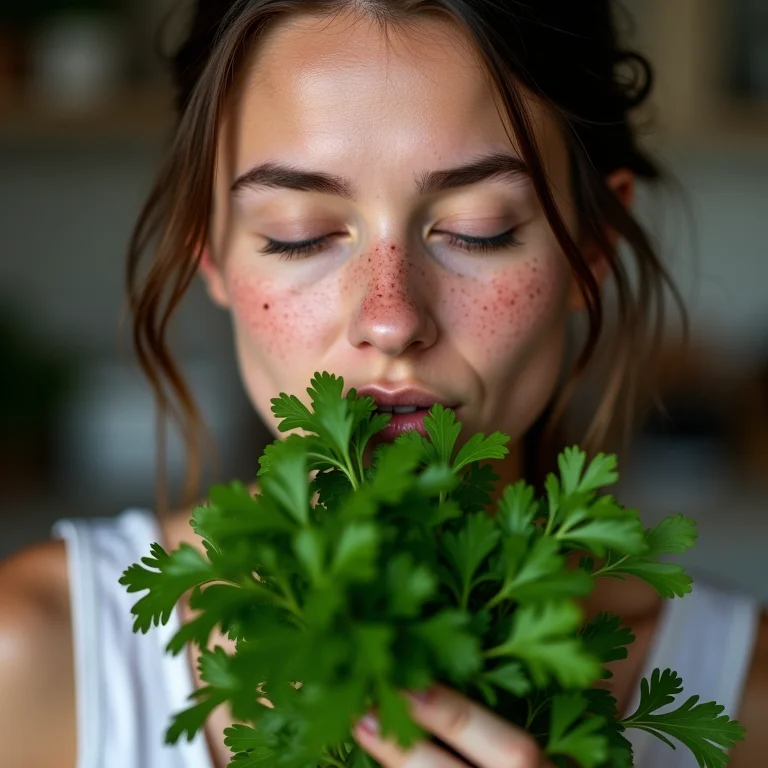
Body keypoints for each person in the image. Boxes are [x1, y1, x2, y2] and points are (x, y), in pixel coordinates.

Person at [0, 1, 765, 766]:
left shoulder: (747, 699)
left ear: (591, 249)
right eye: (299, 233)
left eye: (479, 228)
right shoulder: (35, 656)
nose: (392, 320)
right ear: (211, 253)